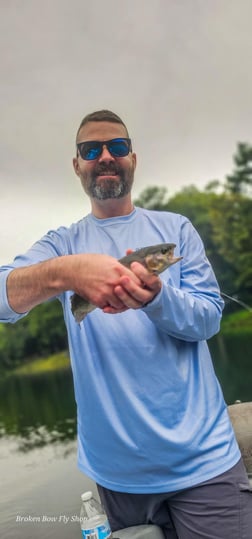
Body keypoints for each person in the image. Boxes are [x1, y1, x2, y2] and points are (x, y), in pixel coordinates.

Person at [0, 110, 251, 539]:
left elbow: (209, 318)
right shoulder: (62, 244)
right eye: (90, 149)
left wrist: (158, 296)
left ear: (133, 158)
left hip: (204, 461)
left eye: (117, 147)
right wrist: (66, 272)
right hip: (116, 478)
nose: (105, 157)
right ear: (77, 164)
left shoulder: (176, 230)